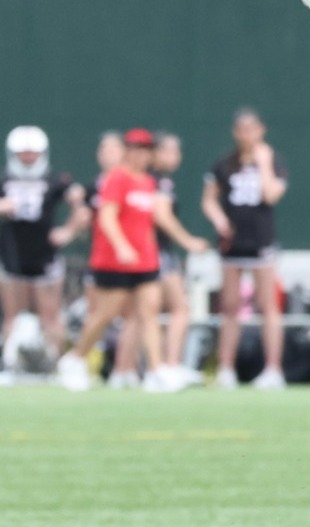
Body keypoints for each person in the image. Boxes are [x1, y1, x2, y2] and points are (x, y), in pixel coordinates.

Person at [57, 129, 174, 392]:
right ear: (127, 150)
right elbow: (107, 217)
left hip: (145, 261)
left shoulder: (147, 181)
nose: (141, 154)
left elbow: (151, 222)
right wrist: (122, 246)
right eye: (136, 148)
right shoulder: (116, 178)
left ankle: (156, 371)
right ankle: (75, 359)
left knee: (149, 312)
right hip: (113, 260)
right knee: (105, 313)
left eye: (146, 149)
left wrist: (181, 242)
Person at [202, 109, 290, 389]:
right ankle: (226, 369)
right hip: (233, 243)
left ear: (261, 130)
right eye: (242, 129)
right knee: (230, 306)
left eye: (252, 129)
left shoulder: (273, 161)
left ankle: (273, 369)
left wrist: (264, 162)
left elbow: (271, 195)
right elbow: (209, 200)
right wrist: (219, 219)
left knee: (268, 306)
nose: (247, 135)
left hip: (261, 241)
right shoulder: (225, 164)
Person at [114, 132, 207, 387]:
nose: (175, 157)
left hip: (144, 253)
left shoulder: (146, 179)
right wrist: (188, 241)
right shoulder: (156, 181)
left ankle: (123, 370)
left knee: (138, 313)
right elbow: (162, 216)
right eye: (170, 151)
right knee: (179, 308)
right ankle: (169, 365)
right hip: (155, 253)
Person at [1, 127, 89, 377]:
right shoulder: (5, 180)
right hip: (13, 256)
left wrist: (68, 231)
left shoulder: (56, 180)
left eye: (32, 153)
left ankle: (57, 366)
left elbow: (81, 207)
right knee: (12, 316)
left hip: (45, 256)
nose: (28, 158)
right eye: (23, 153)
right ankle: (9, 365)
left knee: (50, 315)